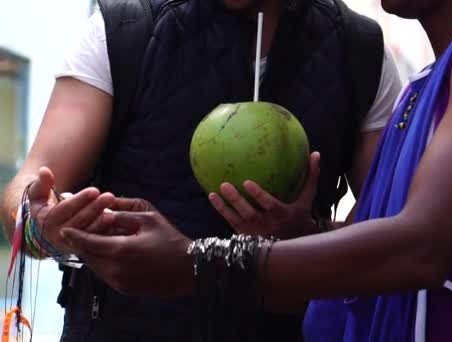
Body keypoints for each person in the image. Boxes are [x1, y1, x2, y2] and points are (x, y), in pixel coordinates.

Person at [55, 0, 452, 340]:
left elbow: (421, 246)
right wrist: (305, 235)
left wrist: (195, 262)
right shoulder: (428, 85)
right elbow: (394, 235)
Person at [0, 0, 402, 340]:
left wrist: (309, 238)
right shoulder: (125, 29)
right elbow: (31, 186)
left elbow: (393, 235)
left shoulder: (360, 50)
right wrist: (42, 225)